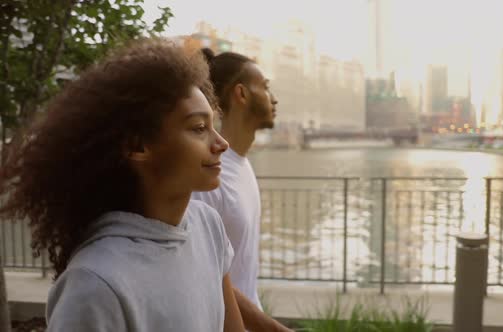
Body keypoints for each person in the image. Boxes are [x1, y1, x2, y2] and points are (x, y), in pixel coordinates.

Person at [0, 39, 245, 332]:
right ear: (138, 145)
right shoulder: (95, 283)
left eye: (213, 126)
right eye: (198, 128)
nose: (221, 144)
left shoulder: (208, 226)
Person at [192, 49, 289, 332]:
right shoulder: (210, 175)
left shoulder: (241, 165)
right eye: (266, 87)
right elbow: (206, 272)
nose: (274, 98)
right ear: (241, 94)